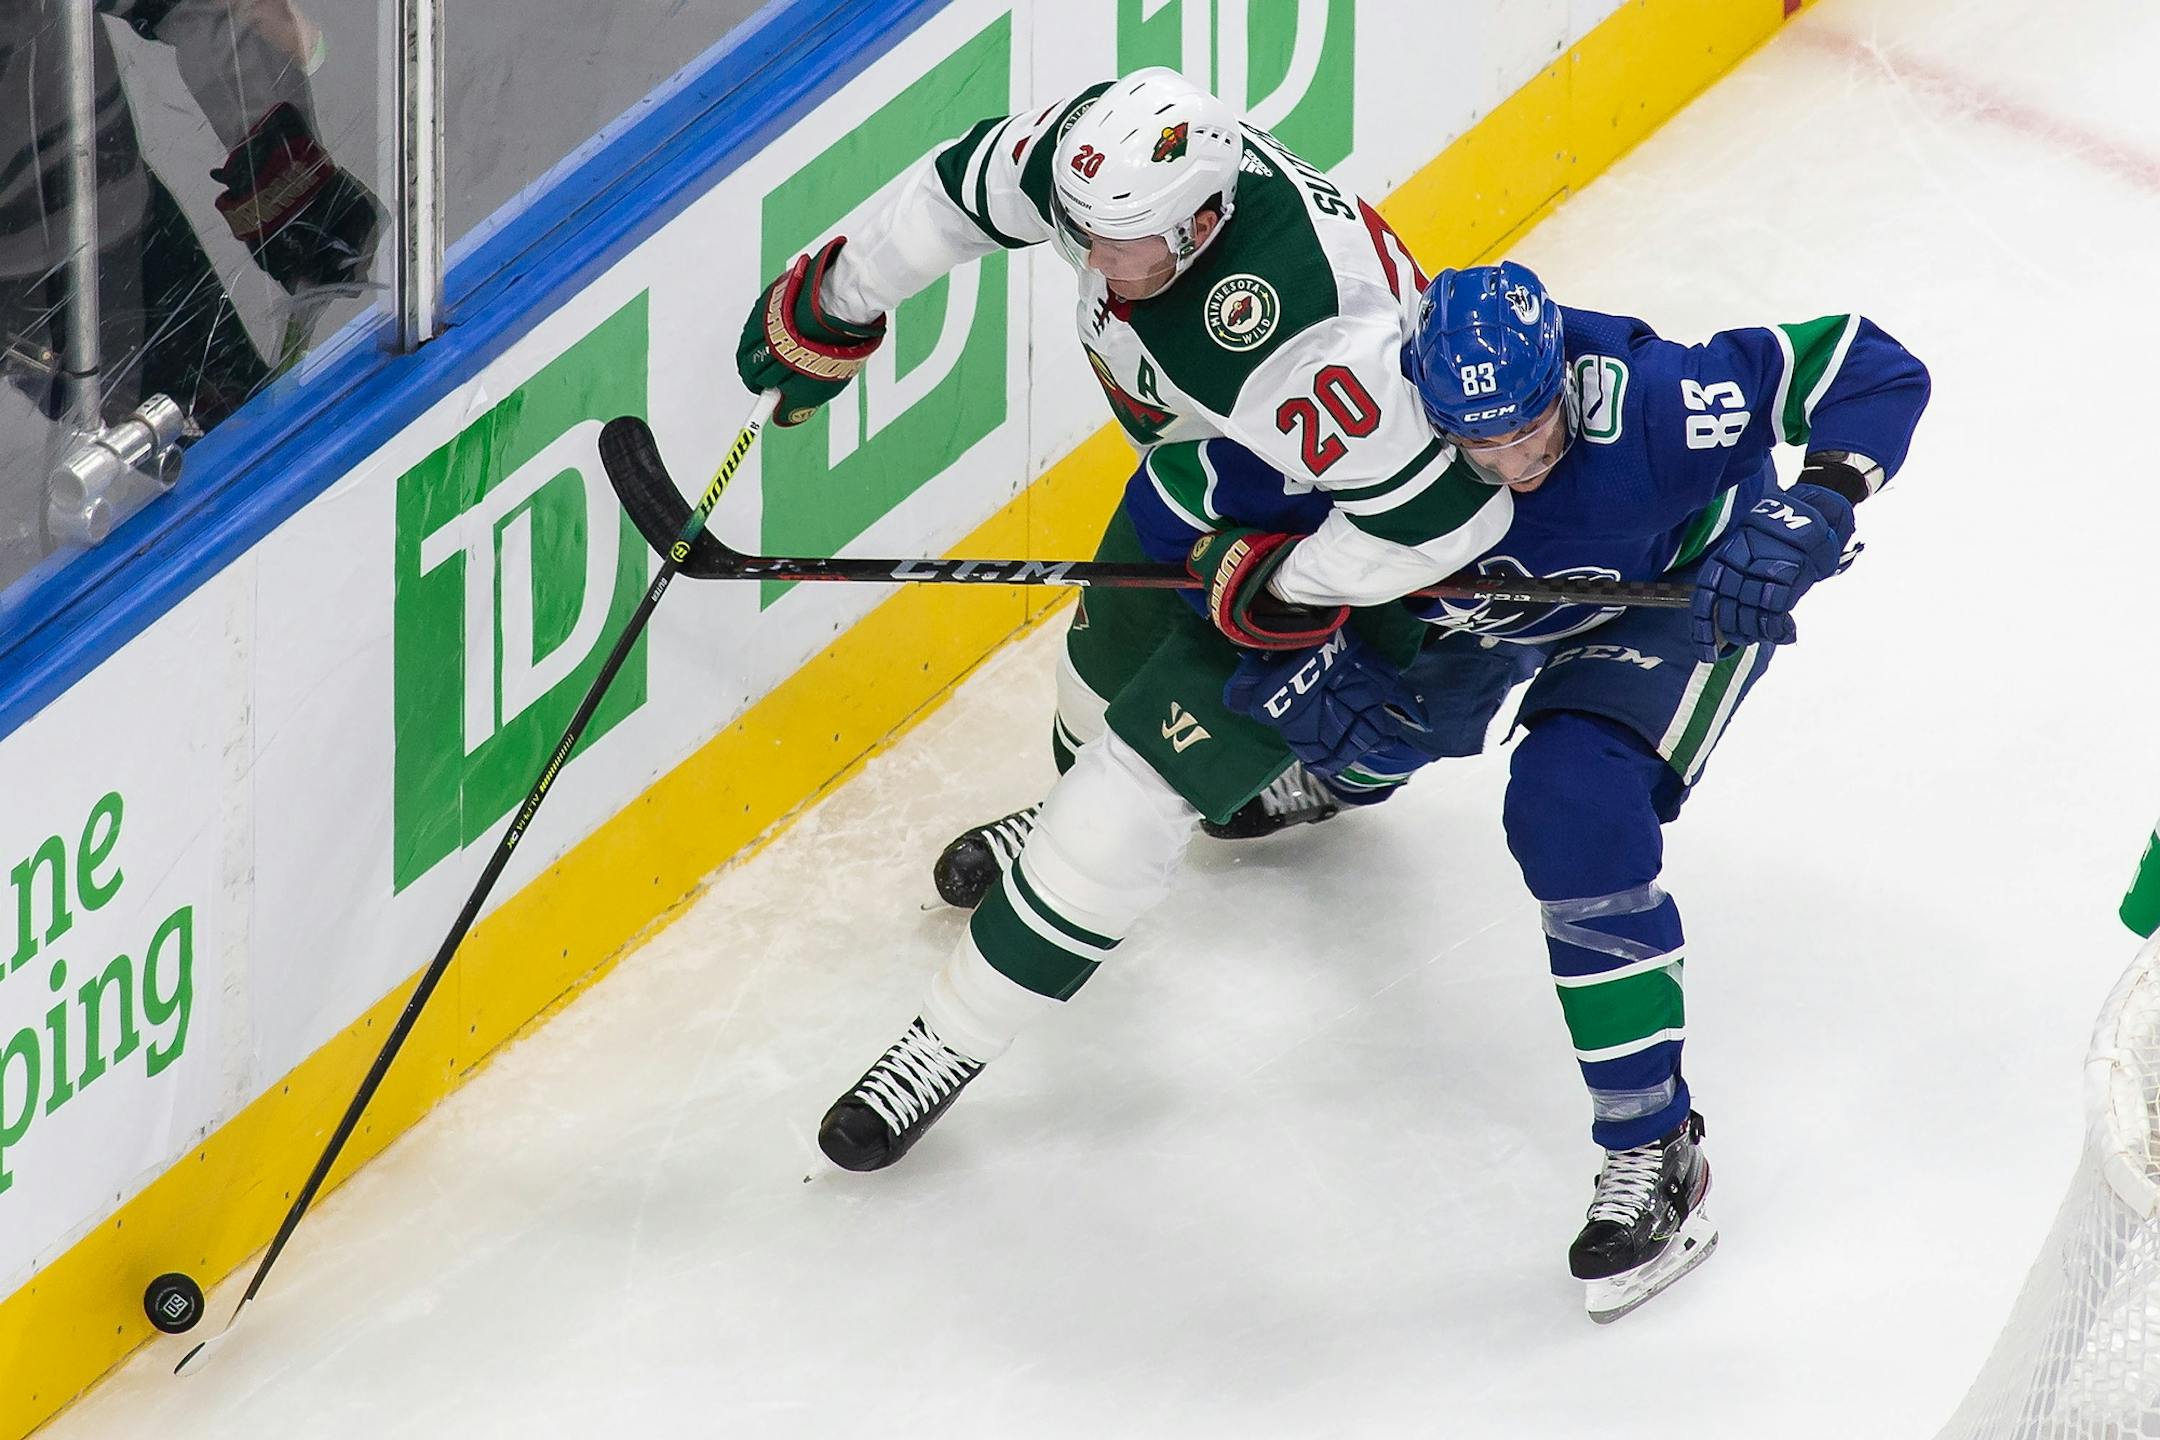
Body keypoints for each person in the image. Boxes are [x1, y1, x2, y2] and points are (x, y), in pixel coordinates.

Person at [909, 259, 1931, 1321]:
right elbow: (1182, 512)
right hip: (1484, 603)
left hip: (1671, 600)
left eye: (1530, 427)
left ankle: (1653, 1144)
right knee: (1364, 719)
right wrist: (1245, 590)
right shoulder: (1371, 429)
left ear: (1562, 386)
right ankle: (1327, 785)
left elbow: (1865, 363)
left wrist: (1821, 500)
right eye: (1475, 441)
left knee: (1570, 804)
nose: (1512, 460)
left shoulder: (1659, 406)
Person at [736, 70, 1515, 1176]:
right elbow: (962, 187)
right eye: (1086, 233)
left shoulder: (1308, 336)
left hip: (1351, 560)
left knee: (1127, 800)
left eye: (1126, 244)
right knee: (1097, 663)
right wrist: (843, 298)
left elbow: (1452, 516)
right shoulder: (1110, 169)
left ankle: (939, 1047)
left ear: (1204, 225)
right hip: (1210, 481)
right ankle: (1074, 812)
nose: (1096, 263)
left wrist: (1293, 582)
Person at [0, 0, 380, 583]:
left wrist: (283, 166)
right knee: (109, 554)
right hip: (40, 288)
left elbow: (203, 9)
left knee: (249, 491)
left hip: (124, 230)